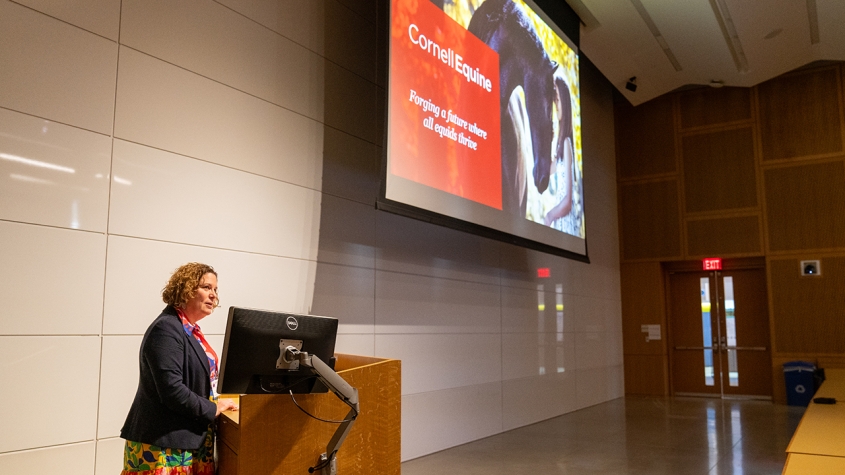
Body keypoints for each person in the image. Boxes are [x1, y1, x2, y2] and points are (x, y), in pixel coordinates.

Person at [120, 262, 237, 474]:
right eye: (206, 287)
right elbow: (172, 390)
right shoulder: (166, 328)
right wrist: (213, 408)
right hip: (164, 445)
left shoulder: (188, 330)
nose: (213, 295)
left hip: (188, 439)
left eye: (215, 290)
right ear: (186, 289)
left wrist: (217, 402)